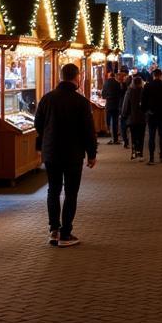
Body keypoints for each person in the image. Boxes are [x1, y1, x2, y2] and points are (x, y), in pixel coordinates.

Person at [34, 63, 98, 247]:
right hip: (73, 153)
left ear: (61, 76)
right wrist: (91, 154)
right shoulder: (81, 102)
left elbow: (38, 124)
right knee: (71, 193)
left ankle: (54, 229)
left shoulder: (47, 99)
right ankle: (66, 233)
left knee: (53, 190)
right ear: (77, 77)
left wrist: (46, 140)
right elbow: (88, 131)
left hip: (51, 152)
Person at [140, 67, 162, 164]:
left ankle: (151, 157)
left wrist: (145, 111)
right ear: (161, 76)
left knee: (151, 135)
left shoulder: (147, 86)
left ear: (153, 76)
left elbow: (143, 101)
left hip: (151, 114)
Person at [121, 74, 146, 160]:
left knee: (134, 135)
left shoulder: (129, 91)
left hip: (132, 118)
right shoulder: (144, 91)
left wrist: (124, 114)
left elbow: (125, 104)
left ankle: (134, 152)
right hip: (142, 118)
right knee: (141, 136)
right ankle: (140, 153)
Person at [101, 71, 124, 145]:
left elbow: (103, 95)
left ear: (109, 76)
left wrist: (107, 97)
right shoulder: (117, 84)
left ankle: (110, 138)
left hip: (109, 105)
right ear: (114, 76)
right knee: (115, 122)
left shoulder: (105, 83)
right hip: (116, 105)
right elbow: (121, 94)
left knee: (108, 122)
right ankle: (116, 139)